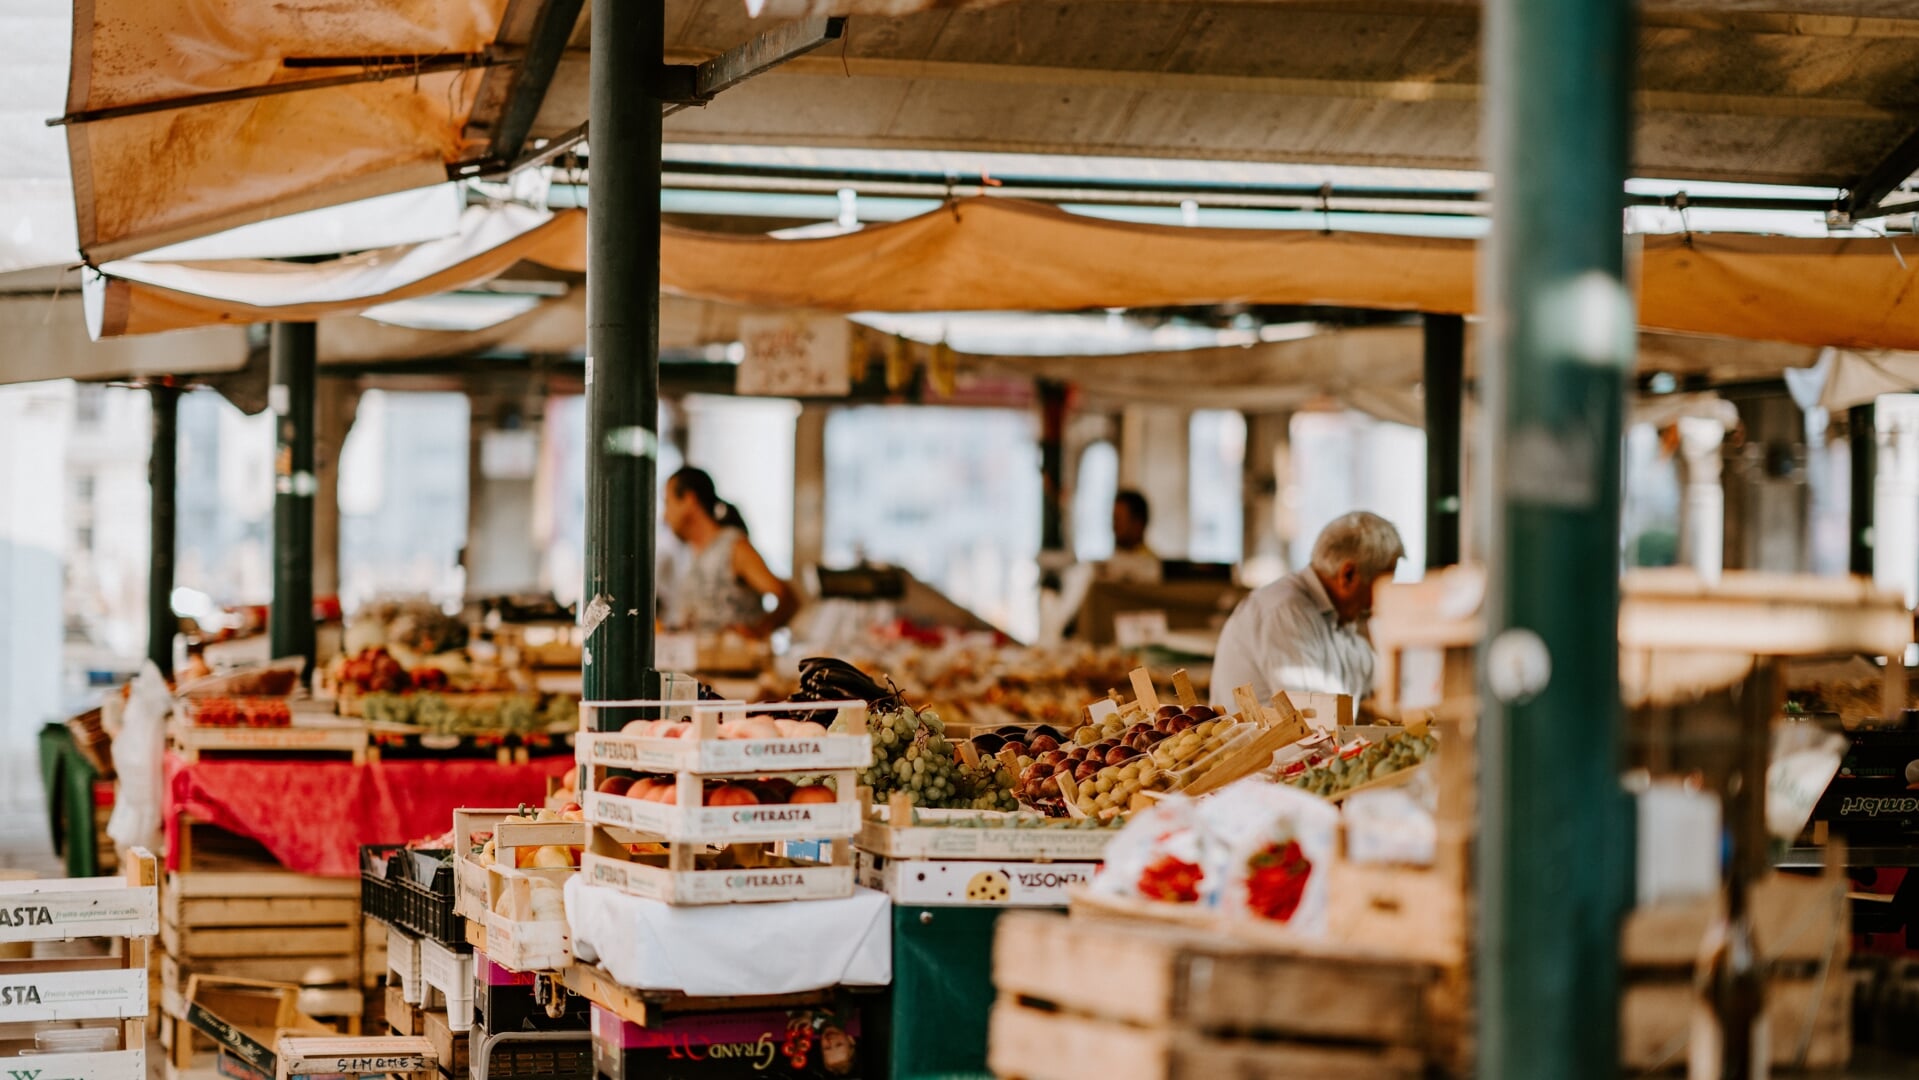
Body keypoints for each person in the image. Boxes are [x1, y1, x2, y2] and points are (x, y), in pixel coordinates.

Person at [1210, 511, 1406, 708]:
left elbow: (1381, 677)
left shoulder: (1337, 620)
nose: (1381, 600)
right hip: (1268, 740)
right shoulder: (1286, 611)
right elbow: (1314, 718)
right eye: (1383, 584)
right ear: (1348, 575)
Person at [661, 467, 799, 637]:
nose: (664, 516)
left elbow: (789, 599)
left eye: (668, 503)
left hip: (737, 662)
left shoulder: (734, 547)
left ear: (689, 500)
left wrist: (759, 630)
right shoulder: (689, 554)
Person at [1100, 489, 1162, 584]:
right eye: (1113, 520)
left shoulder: (1152, 569)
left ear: (1138, 524)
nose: (1113, 527)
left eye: (1118, 520)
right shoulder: (1108, 565)